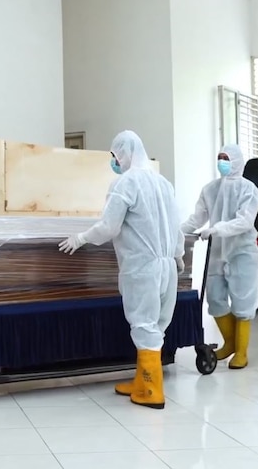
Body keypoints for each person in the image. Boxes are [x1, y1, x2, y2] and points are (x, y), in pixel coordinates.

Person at [58, 131, 184, 410]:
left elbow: (109, 227)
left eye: (115, 155)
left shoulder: (125, 183)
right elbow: (176, 224)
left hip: (142, 267)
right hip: (167, 266)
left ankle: (152, 390)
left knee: (143, 324)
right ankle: (143, 380)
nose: (114, 161)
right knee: (156, 326)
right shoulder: (163, 184)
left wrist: (80, 238)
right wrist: (179, 254)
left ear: (124, 154)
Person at [180, 144, 258, 370]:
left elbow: (245, 221)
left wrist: (218, 229)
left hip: (242, 251)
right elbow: (196, 218)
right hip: (217, 253)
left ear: (237, 161)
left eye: (226, 158)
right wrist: (177, 232)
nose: (222, 162)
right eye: (219, 157)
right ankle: (230, 343)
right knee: (215, 298)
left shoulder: (250, 190)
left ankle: (241, 352)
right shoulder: (210, 189)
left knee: (243, 301)